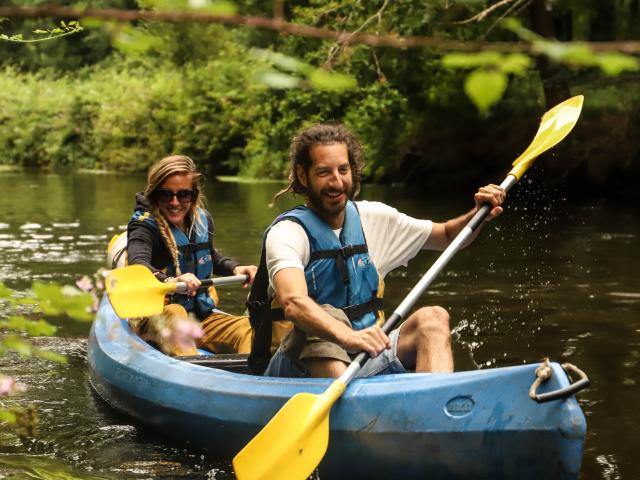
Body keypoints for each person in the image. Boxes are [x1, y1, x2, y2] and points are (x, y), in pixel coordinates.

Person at [248, 123, 506, 378]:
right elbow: (294, 304)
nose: (337, 182)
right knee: (325, 317)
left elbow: (449, 236)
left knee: (433, 318)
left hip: (364, 356)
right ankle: (352, 411)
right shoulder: (287, 232)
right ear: (303, 176)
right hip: (295, 367)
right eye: (324, 172)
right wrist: (348, 336)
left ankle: (433, 403)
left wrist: (479, 213)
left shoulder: (374, 218)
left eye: (343, 170)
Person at [126, 155, 257, 356]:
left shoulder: (202, 221)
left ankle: (251, 379)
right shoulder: (144, 225)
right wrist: (171, 279)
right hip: (157, 316)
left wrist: (235, 268)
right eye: (166, 195)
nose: (175, 202)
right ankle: (194, 375)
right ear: (154, 195)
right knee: (176, 314)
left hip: (199, 316)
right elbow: (138, 263)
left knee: (247, 329)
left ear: (193, 195)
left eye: (183, 195)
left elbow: (209, 255)